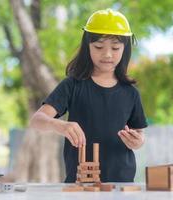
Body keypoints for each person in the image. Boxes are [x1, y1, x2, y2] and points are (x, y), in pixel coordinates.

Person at [29, 8, 148, 183]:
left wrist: (137, 142)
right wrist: (60, 126)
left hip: (121, 185)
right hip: (79, 184)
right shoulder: (72, 85)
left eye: (115, 48)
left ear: (125, 48)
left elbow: (139, 133)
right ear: (87, 46)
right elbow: (37, 120)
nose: (107, 54)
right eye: (99, 47)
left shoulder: (130, 93)